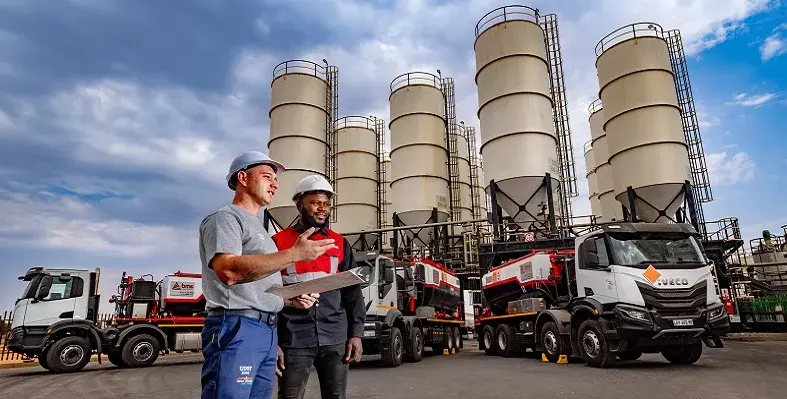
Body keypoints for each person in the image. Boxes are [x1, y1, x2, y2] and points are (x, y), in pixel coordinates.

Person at [198, 151, 336, 399]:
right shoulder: (225, 218)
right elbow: (228, 271)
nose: (275, 184)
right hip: (237, 324)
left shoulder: (259, 231)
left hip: (266, 330)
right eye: (267, 177)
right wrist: (294, 254)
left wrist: (290, 301)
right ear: (242, 178)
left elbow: (257, 286)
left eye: (276, 179)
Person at [271, 174, 366, 399]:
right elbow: (268, 294)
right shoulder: (279, 242)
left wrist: (356, 334)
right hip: (293, 337)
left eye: (326, 203)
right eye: (315, 202)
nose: (322, 208)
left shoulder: (340, 243)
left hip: (335, 336)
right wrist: (271, 342)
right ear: (300, 204)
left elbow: (352, 293)